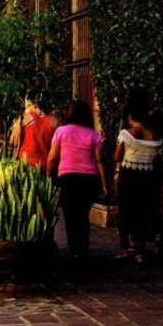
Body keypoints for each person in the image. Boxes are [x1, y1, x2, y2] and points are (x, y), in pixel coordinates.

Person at [48, 100, 107, 259]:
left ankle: (73, 247)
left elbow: (53, 157)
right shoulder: (94, 134)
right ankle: (83, 247)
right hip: (89, 179)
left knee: (70, 214)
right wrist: (104, 184)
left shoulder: (61, 131)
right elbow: (99, 159)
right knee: (83, 214)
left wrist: (48, 174)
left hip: (68, 178)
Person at [114, 107, 163, 266]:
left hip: (129, 175)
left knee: (125, 211)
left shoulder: (126, 134)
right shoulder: (155, 135)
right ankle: (140, 252)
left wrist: (117, 170)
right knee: (141, 213)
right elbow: (158, 157)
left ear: (131, 117)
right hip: (147, 176)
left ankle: (124, 248)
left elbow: (117, 155)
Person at [16, 101, 59, 174]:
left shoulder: (27, 117)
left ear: (36, 105)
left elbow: (16, 139)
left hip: (26, 162)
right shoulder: (54, 120)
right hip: (45, 164)